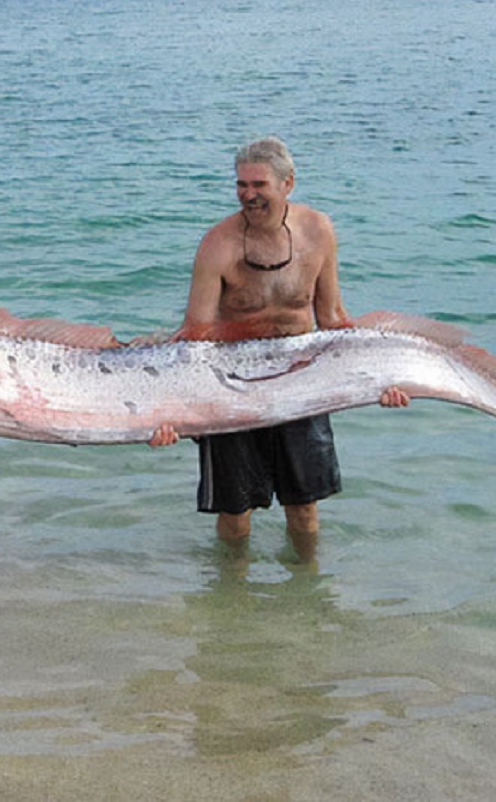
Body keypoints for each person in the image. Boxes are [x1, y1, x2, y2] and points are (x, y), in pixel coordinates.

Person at [150, 137, 409, 554]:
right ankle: (231, 601)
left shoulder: (318, 231)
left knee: (304, 506)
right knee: (234, 512)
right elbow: (195, 335)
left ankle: (308, 597)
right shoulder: (217, 245)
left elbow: (334, 320)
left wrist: (381, 381)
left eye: (258, 185)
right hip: (231, 386)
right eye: (240, 185)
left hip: (301, 379)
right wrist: (175, 414)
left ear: (288, 184)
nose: (248, 195)